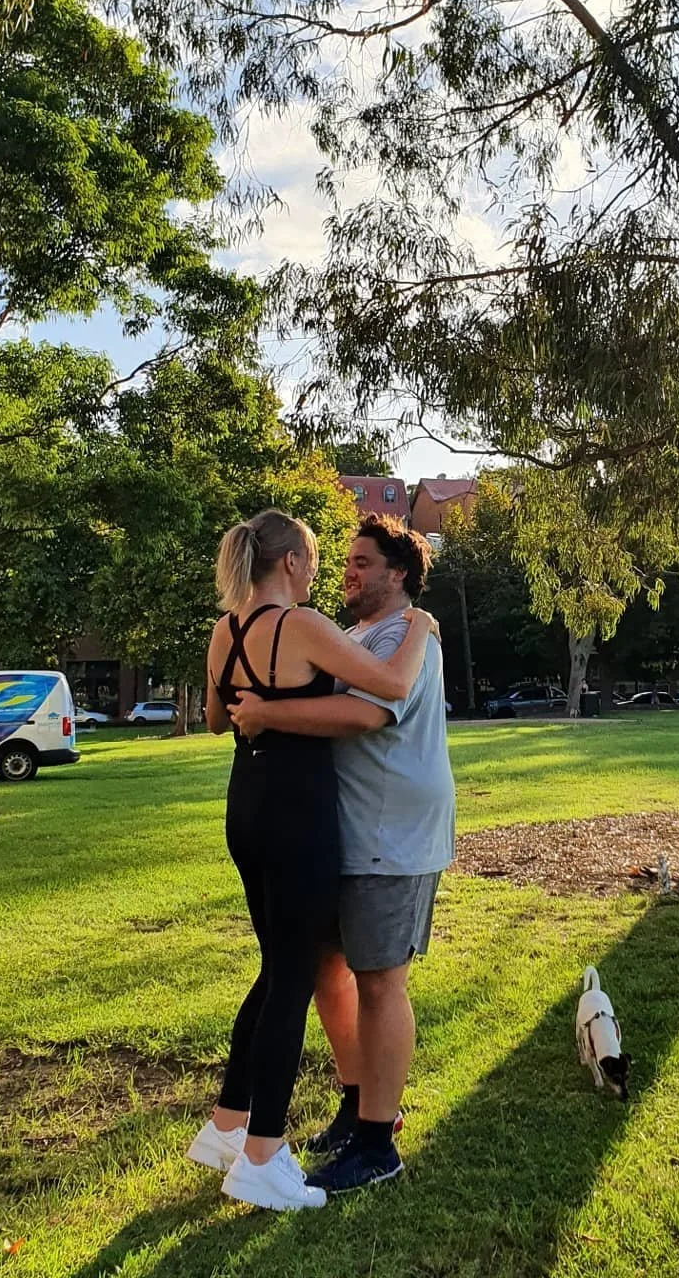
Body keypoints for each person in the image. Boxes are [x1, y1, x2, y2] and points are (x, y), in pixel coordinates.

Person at [185, 509, 437, 1213]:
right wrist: (419, 626)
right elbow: (390, 688)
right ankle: (263, 1154)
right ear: (291, 562)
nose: (326, 571)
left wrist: (263, 707)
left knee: (275, 967)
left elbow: (215, 720)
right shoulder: (301, 625)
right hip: (299, 810)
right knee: (293, 976)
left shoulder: (223, 630)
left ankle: (227, 1125)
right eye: (320, 559)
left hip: (247, 804)